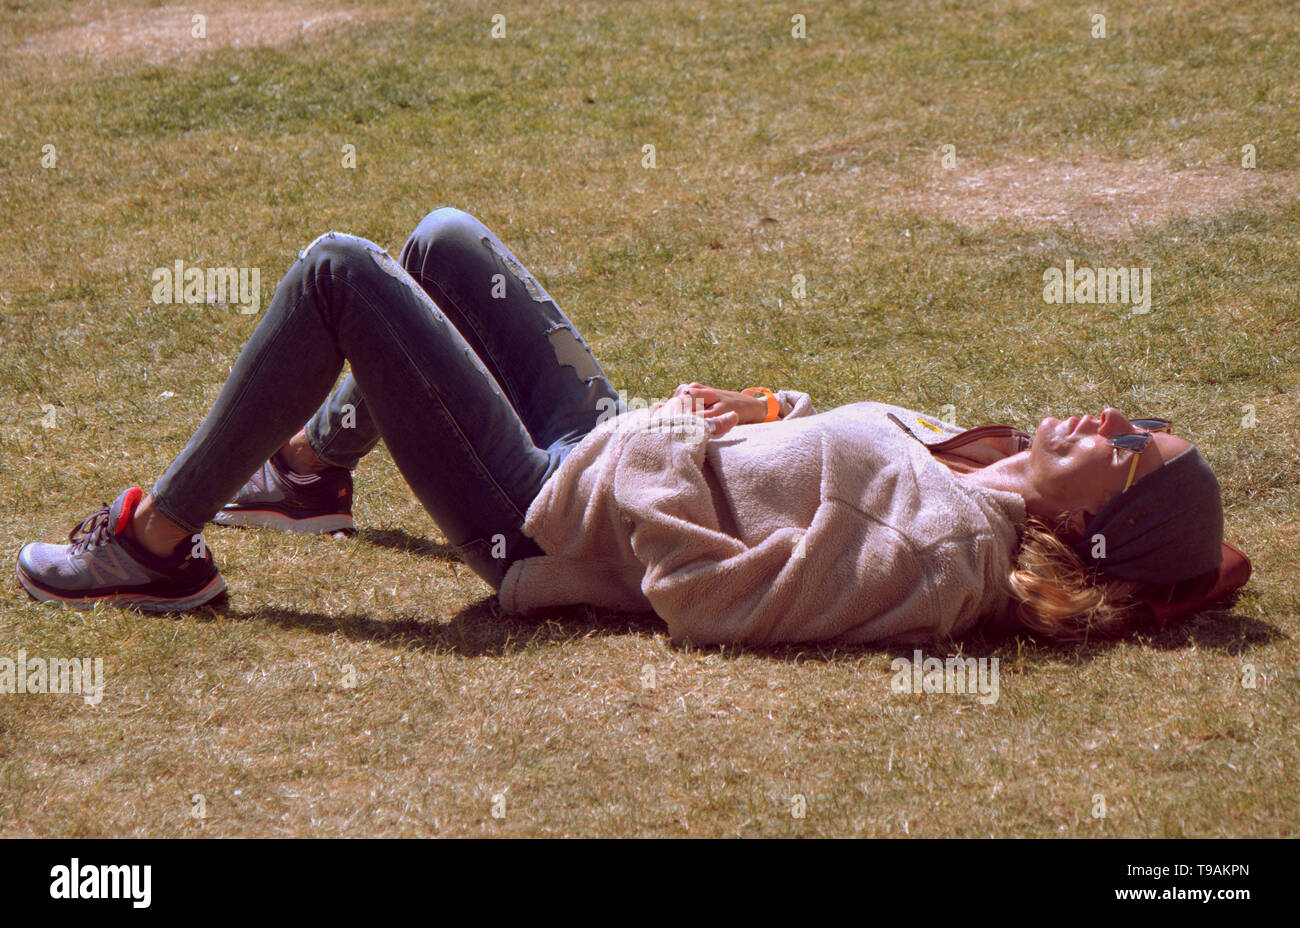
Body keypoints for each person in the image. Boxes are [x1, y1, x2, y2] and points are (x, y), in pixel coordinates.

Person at [14, 208, 1246, 646]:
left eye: (1127, 448)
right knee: (443, 240)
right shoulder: (972, 458)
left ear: (1093, 526)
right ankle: (309, 469)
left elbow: (721, 602)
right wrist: (759, 413)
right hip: (615, 440)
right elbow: (803, 469)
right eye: (1139, 418)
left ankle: (153, 550)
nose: (1110, 418)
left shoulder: (944, 554)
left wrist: (665, 462)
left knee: (341, 272)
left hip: (549, 512)